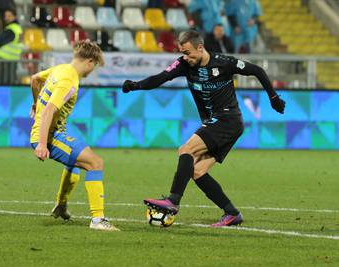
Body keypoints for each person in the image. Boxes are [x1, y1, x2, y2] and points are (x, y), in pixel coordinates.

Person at [121, 30, 285, 227]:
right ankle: (232, 213)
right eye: (182, 52)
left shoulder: (224, 63)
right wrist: (136, 85)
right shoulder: (184, 64)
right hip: (220, 123)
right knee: (197, 170)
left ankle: (173, 201)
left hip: (228, 120)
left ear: (200, 47)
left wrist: (273, 97)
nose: (185, 57)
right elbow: (161, 77)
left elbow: (257, 70)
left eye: (188, 52)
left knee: (186, 149)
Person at [30, 40, 119, 231]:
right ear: (89, 61)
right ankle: (97, 220)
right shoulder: (69, 80)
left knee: (74, 164)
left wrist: (35, 103)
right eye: (94, 66)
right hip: (48, 136)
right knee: (95, 163)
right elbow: (49, 112)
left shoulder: (60, 69)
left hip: (50, 133)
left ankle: (61, 206)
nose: (91, 71)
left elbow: (35, 79)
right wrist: (42, 144)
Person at [0, 8, 23, 84]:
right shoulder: (18, 28)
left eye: (9, 16)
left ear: (15, 17)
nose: (6, 18)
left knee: (1, 84)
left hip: (4, 60)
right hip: (12, 59)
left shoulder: (11, 29)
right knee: (10, 83)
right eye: (5, 16)